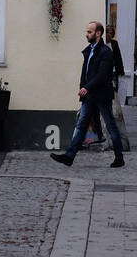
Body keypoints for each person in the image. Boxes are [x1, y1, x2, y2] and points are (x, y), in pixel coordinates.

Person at [50, 21, 125, 169]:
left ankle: (119, 157)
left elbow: (102, 75)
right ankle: (69, 156)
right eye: (87, 31)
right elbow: (85, 73)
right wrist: (82, 87)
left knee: (110, 125)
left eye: (90, 32)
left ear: (98, 33)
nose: (86, 34)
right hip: (90, 95)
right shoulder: (89, 50)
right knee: (81, 124)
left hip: (101, 95)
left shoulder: (105, 52)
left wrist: (87, 88)